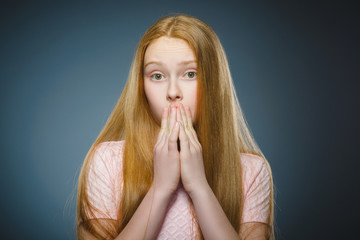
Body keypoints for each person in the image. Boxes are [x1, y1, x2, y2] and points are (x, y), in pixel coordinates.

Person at [76, 14, 275, 240]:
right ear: (141, 86)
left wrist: (199, 188)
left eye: (190, 74)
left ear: (213, 81)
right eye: (157, 75)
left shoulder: (251, 171)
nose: (173, 92)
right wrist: (161, 189)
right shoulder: (107, 161)